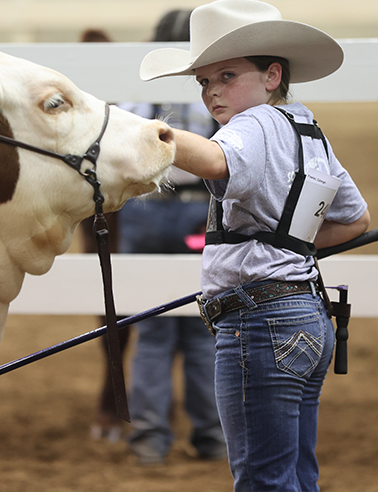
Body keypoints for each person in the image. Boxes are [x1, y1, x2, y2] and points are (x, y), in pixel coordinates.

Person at [139, 0, 370, 490]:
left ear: (272, 76)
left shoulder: (252, 124)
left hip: (259, 324)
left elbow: (216, 161)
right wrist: (285, 250)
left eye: (226, 75)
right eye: (204, 82)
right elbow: (355, 219)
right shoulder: (308, 130)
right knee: (297, 475)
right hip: (306, 318)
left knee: (264, 481)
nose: (213, 92)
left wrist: (147, 134)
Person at [118, 9, 226, 466]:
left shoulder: (133, 89)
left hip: (145, 211)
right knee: (204, 332)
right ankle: (211, 437)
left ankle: (149, 438)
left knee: (152, 331)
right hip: (196, 213)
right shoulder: (212, 90)